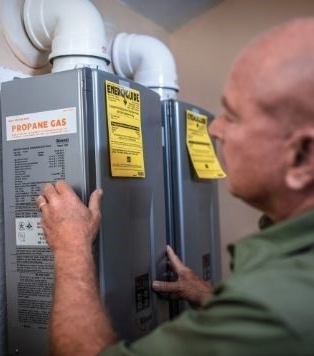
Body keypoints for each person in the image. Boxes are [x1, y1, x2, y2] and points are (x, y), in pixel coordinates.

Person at [35, 17, 314, 356]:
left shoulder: (281, 306)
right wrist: (215, 301)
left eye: (234, 117)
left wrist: (71, 248)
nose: (216, 130)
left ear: (300, 156)